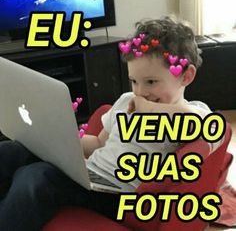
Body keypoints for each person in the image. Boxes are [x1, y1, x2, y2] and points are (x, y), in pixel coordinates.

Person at [0, 16, 213, 230]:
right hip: (89, 176)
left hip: (116, 194)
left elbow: (209, 128)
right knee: (12, 151)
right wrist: (58, 138)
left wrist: (152, 110)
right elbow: (99, 143)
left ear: (186, 76)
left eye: (151, 82)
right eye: (134, 81)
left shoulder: (191, 113)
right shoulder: (125, 103)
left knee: (36, 177)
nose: (140, 92)